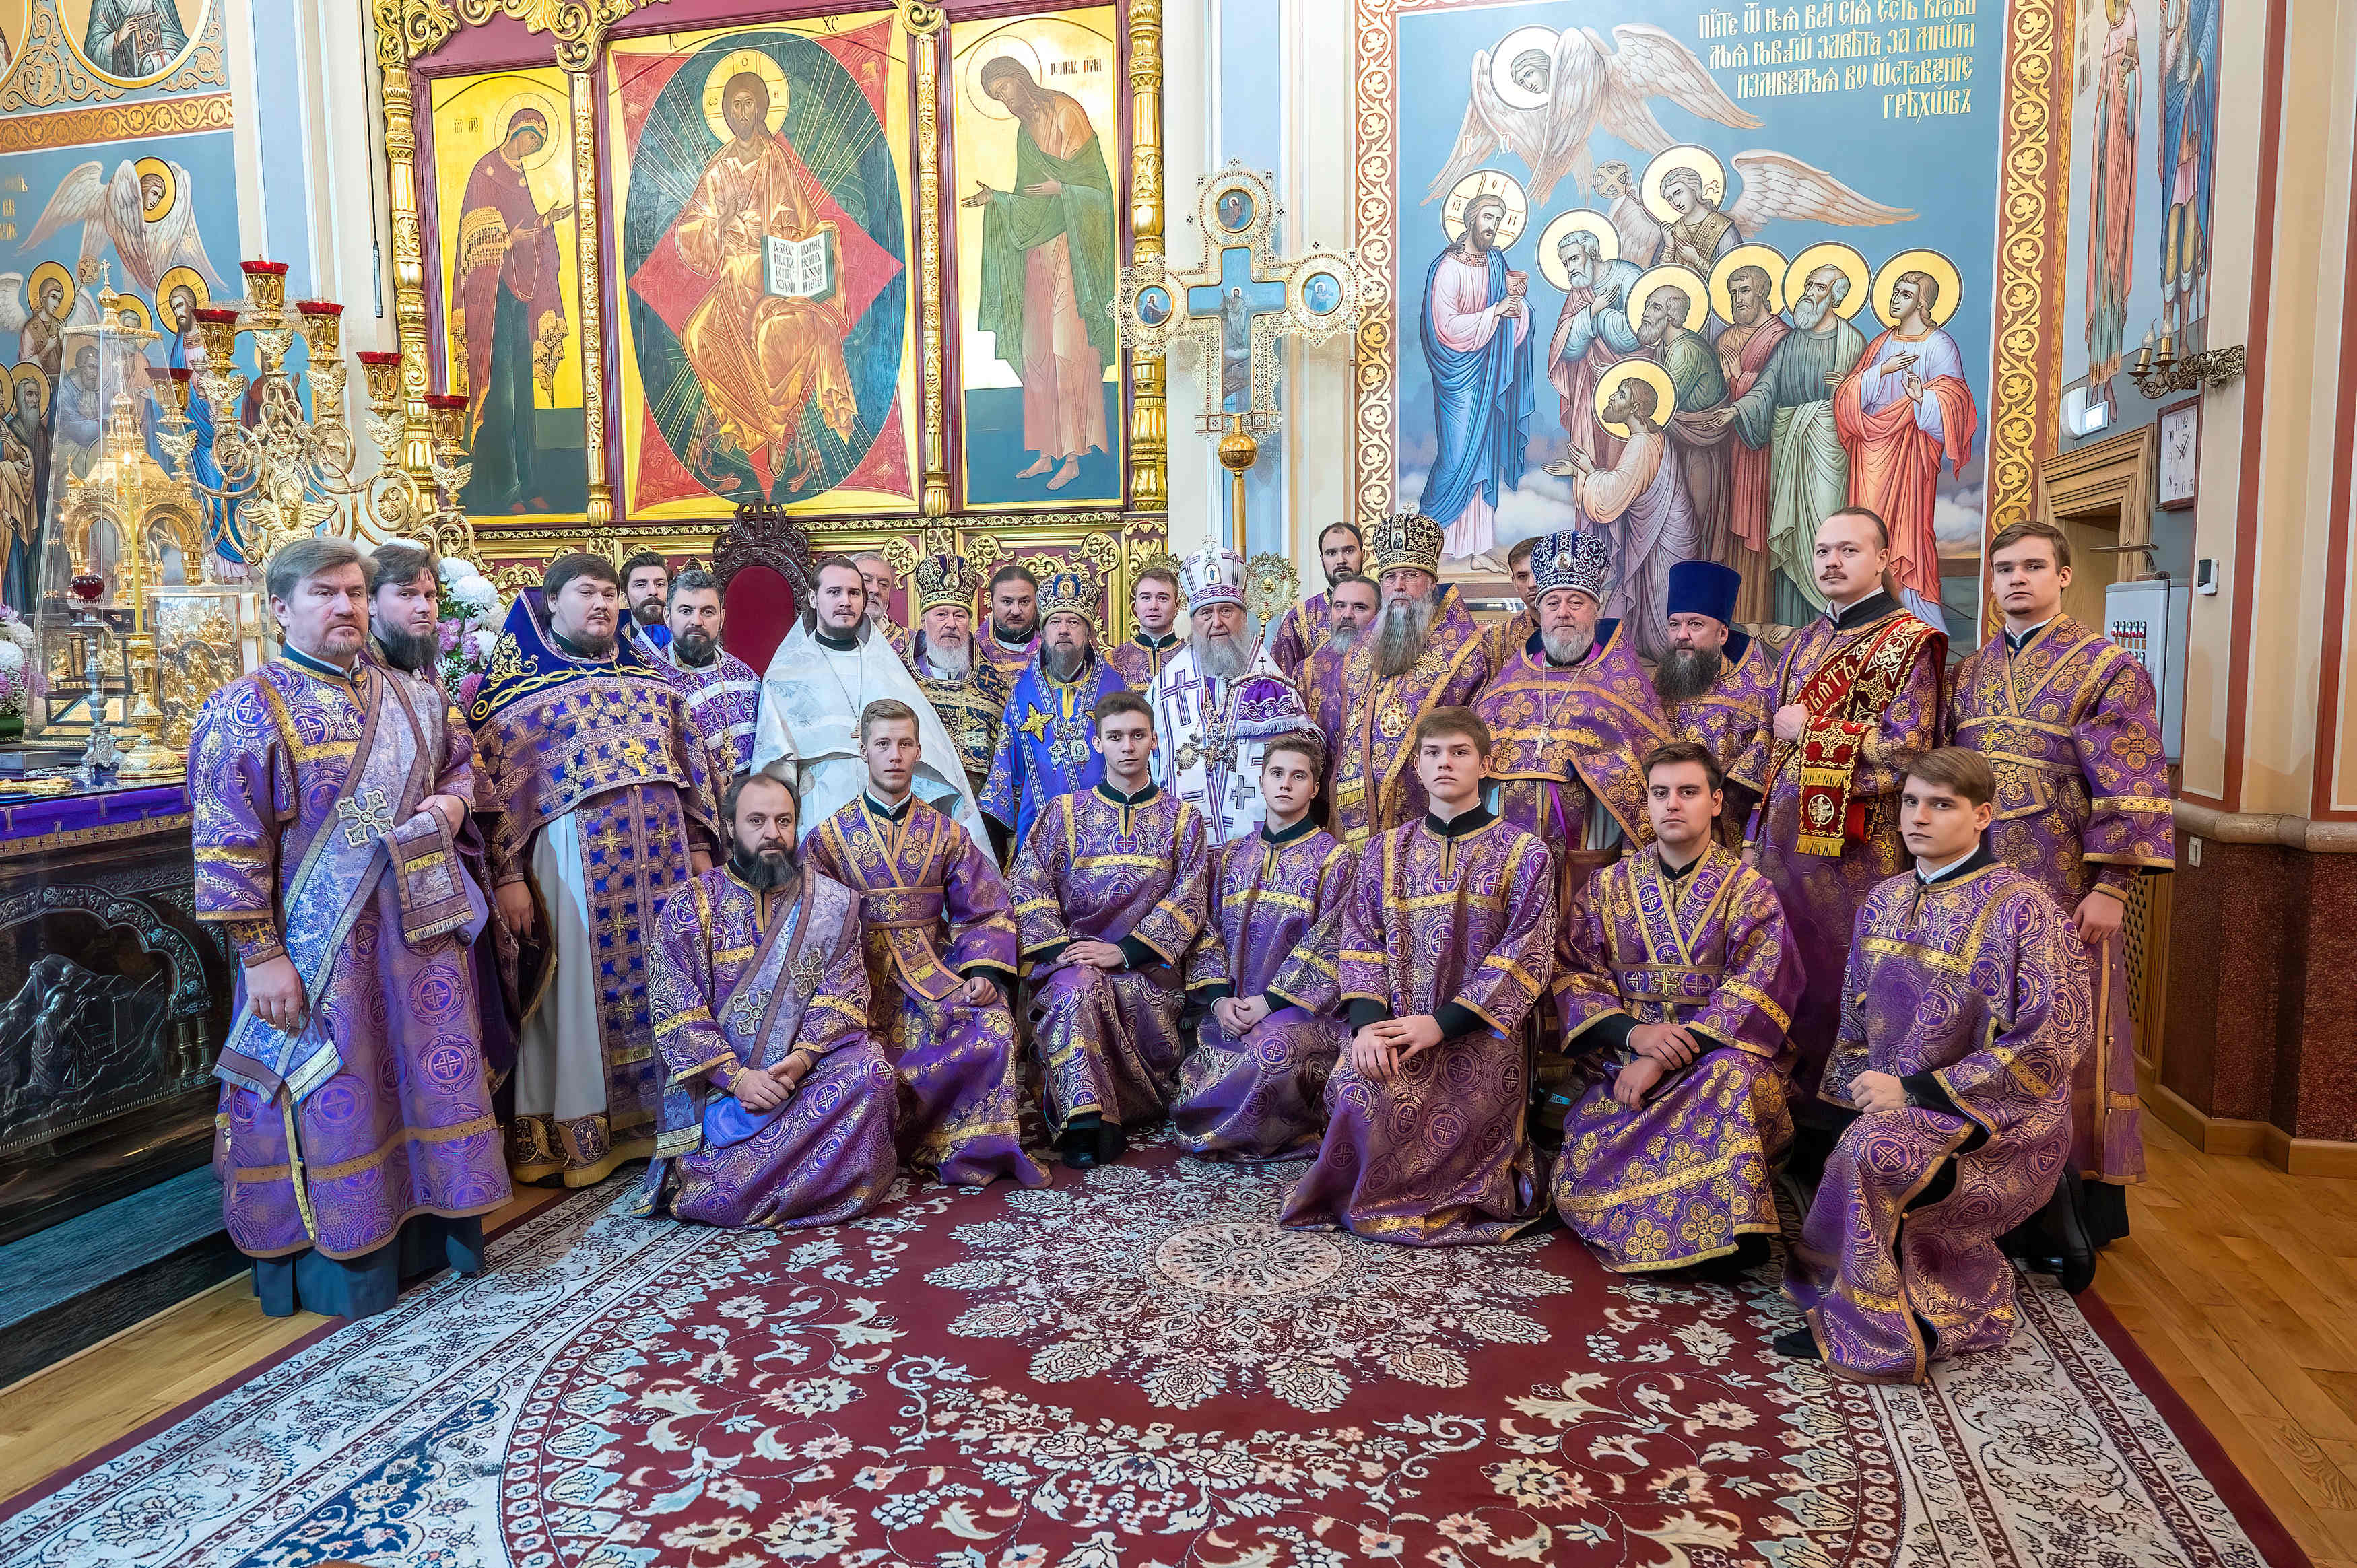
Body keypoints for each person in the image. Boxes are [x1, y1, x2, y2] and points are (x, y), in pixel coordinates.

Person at [191, 537, 507, 1317]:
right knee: (336, 1089)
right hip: (316, 952)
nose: (346, 607)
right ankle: (349, 1265)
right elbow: (227, 845)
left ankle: (435, 1235)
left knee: (422, 1083)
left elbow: (461, 764)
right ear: (279, 609)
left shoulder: (415, 697)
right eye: (325, 594)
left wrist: (455, 802)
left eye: (357, 594)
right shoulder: (246, 707)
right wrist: (261, 956)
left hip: (416, 944)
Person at [1779, 747, 2088, 1383]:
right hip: (1896, 1100)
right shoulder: (1885, 898)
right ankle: (1849, 1295)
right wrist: (1854, 1098)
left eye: (1941, 805)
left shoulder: (2023, 907)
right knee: (1855, 1142)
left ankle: (1886, 1327)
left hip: (2002, 1114)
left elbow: (2052, 1038)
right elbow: (1856, 1017)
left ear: (1983, 815)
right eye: (1911, 802)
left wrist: (1917, 1090)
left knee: (1871, 1152)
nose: (1919, 817)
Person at [1949, 520, 2173, 1260]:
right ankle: (1984, 1187)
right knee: (1985, 1020)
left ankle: (2069, 1202)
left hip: (2063, 882)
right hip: (1978, 879)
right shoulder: (1970, 669)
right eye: (2003, 568)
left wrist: (2112, 885)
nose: (2016, 579)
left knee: (2065, 1025)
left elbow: (2132, 781)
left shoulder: (2107, 667)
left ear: (2063, 575)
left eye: (2033, 566)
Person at [471, 552, 723, 1185]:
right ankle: (579, 1133)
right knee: (577, 994)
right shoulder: (513, 695)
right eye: (587, 593)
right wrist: (506, 876)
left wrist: (699, 845)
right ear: (551, 601)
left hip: (663, 868)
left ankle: (667, 1121)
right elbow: (493, 794)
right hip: (571, 872)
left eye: (610, 593)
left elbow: (690, 769)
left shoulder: (654, 680)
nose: (603, 604)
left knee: (673, 979)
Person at [1282, 707, 1558, 1244]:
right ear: (1418, 767)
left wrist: (1440, 1025)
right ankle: (1363, 1195)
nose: (1445, 763)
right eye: (1433, 753)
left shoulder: (1526, 854)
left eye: (1459, 752)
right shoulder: (1384, 851)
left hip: (1480, 1039)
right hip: (1394, 1027)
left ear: (1485, 763)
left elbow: (1526, 955)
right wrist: (1368, 1026)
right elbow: (1361, 941)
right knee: (1359, 1088)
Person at [1551, 741, 1804, 1279]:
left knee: (1731, 1075)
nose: (1672, 804)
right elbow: (1576, 974)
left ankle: (1727, 1235)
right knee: (1579, 1169)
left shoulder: (1750, 892)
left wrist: (1666, 1057)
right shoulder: (1607, 888)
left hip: (1716, 1067)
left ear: (1715, 802)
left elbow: (1758, 991)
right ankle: (1703, 1229)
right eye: (1659, 793)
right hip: (1623, 1067)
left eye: (1687, 792)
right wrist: (1637, 1038)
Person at [1730, 508, 1943, 1103]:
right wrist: (1743, 824)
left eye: (1848, 550)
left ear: (1882, 559)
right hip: (1780, 849)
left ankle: (1843, 1115)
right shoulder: (1805, 640)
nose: (1831, 561)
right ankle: (1782, 1110)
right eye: (1823, 550)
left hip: (1859, 855)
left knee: (1845, 979)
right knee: (1780, 969)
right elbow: (1771, 737)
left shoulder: (1909, 643)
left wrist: (1815, 729)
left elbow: (1911, 748)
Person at [633, 772, 902, 1229]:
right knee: (718, 1192)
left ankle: (774, 1183)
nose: (772, 832)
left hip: (805, 1076)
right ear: (730, 828)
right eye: (756, 820)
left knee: (873, 1076)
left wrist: (797, 1063)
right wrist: (739, 1079)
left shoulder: (832, 904)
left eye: (784, 820)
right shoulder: (690, 906)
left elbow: (842, 996)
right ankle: (815, 1182)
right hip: (722, 1091)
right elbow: (677, 1012)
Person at [803, 700, 1046, 1188]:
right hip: (855, 985)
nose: (894, 755)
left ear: (918, 750)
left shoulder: (947, 834)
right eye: (883, 744)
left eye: (905, 744)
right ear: (863, 748)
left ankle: (968, 1147)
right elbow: (807, 926)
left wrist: (982, 972)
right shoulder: (826, 839)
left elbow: (987, 908)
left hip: (933, 973)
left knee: (996, 1027)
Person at [1009, 691, 1211, 1167]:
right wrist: (1065, 950)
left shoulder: (1183, 819)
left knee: (1092, 986)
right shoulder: (1062, 813)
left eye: (1137, 736)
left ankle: (1119, 1105)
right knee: (1076, 990)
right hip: (1073, 962)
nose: (1127, 747)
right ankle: (1087, 1124)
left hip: (1147, 974)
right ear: (1096, 743)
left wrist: (1120, 953)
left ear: (1155, 741)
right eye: (1115, 736)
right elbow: (1026, 883)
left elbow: (1191, 897)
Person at [1174, 734, 1354, 1160]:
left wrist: (1270, 1002)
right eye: (1277, 773)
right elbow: (1206, 931)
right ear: (1260, 779)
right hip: (1231, 1009)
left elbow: (1333, 943)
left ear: (1315, 787)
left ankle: (1278, 1132)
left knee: (1271, 1053)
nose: (1286, 784)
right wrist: (1219, 1001)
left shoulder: (1337, 859)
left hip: (1304, 1012)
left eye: (1299, 776)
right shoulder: (1231, 854)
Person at [675, 71, 856, 490]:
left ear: (760, 109)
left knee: (773, 340)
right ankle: (746, 426)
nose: (742, 113)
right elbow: (691, 229)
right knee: (698, 334)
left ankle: (778, 428)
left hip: (776, 279)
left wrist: (805, 239)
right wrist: (719, 225)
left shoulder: (776, 160)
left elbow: (805, 218)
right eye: (734, 106)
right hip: (733, 278)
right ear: (726, 113)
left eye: (748, 104)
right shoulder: (719, 169)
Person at [1473, 526, 1666, 912]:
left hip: (1589, 841)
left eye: (1576, 602)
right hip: (1508, 847)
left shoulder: (1623, 681)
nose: (1563, 612)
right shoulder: (1510, 678)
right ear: (1539, 612)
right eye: (1553, 602)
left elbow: (1648, 765)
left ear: (1595, 610)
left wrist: (1591, 765)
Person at [963, 55, 1119, 492]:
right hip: (1038, 252)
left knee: (1067, 346)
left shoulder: (1066, 113)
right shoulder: (1022, 133)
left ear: (1021, 78)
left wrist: (1063, 189)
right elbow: (1028, 200)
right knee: (1036, 350)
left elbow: (1099, 190)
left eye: (1006, 90)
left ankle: (1074, 454)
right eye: (997, 98)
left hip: (1073, 250)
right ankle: (1045, 452)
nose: (1006, 102)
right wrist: (997, 199)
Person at [754, 555, 987, 848]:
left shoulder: (887, 667)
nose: (846, 602)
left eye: (854, 593)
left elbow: (928, 760)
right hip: (820, 814)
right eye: (834, 592)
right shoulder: (786, 674)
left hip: (892, 817)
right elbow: (776, 769)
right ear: (813, 597)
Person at [1706, 261, 1868, 623]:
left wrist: (1849, 387)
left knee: (1824, 528)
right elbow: (1767, 385)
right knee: (1791, 534)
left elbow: (1869, 398)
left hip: (1827, 445)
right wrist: (1738, 410)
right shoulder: (1791, 340)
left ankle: (1829, 621)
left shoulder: (1852, 341)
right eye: (1809, 284)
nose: (1810, 293)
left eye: (1820, 288)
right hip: (1788, 444)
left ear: (1836, 298)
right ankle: (1790, 625)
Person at [1327, 511, 1492, 845]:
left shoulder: (1464, 653)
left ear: (1431, 583)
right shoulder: (1362, 650)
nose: (1398, 586)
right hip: (1351, 824)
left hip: (1432, 829)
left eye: (1409, 576)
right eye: (1390, 578)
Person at [1832, 271, 1979, 629]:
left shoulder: (1938, 345)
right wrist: (1880, 371)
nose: (1896, 298)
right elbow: (1851, 393)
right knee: (1865, 531)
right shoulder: (1881, 343)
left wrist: (1922, 399)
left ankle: (1915, 615)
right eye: (1895, 291)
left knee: (1909, 531)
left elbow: (1956, 398)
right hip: (1870, 452)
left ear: (1923, 302)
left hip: (1911, 450)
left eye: (1905, 293)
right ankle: (1860, 609)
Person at [1146, 543, 1319, 844]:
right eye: (1206, 614)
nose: (1217, 623)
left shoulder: (1272, 682)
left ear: (1243, 616)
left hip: (1261, 846)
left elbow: (1306, 758)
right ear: (1193, 620)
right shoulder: (1164, 686)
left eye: (1226, 610)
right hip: (1186, 844)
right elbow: (1149, 763)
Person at [453, 106, 571, 516]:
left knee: (522, 392)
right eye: (527, 140)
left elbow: (525, 231)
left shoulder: (520, 179)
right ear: (514, 132)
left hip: (518, 296)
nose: (530, 149)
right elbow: (476, 230)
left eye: (538, 145)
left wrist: (544, 224)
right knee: (500, 391)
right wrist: (508, 236)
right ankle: (505, 490)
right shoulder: (485, 171)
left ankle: (529, 484)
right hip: (492, 300)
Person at [1418, 193, 1533, 574]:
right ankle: (1439, 541)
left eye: (1498, 220)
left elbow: (1509, 323)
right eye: (1487, 217)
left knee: (1483, 456)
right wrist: (1495, 311)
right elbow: (1445, 327)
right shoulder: (1447, 268)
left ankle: (1478, 547)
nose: (1492, 226)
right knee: (1456, 457)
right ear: (1470, 219)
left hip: (1489, 373)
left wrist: (1518, 311)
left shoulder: (1497, 262)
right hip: (1458, 377)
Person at [1556, 372, 1703, 660]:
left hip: (1666, 539)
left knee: (1665, 620)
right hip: (1660, 533)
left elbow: (1610, 498)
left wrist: (1586, 471)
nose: (1612, 397)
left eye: (1621, 394)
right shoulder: (1649, 438)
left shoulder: (1641, 444)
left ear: (1636, 408)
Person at [981, 565, 1126, 848]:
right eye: (1055, 622)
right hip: (1038, 833)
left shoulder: (1114, 690)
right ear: (1043, 632)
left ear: (1088, 632)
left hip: (1106, 833)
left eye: (1073, 622)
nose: (1063, 630)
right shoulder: (1023, 697)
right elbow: (1004, 771)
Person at [1657, 559, 1777, 846]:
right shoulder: (1656, 687)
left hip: (1727, 839)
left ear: (1722, 634)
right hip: (1661, 834)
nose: (1682, 635)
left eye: (1695, 625)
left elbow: (1766, 778)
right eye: (1675, 625)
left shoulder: (1756, 690)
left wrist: (1750, 843)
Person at [905, 551, 1012, 805]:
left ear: (970, 624)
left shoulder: (995, 686)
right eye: (941, 615)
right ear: (923, 621)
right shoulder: (901, 680)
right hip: (916, 803)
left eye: (960, 616)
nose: (951, 624)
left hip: (979, 807)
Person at [653, 566, 762, 779]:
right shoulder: (652, 679)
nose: (697, 621)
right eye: (686, 611)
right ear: (667, 616)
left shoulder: (748, 680)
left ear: (722, 617)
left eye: (707, 611)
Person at [1301, 573, 1381, 800]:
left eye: (1359, 607)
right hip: (1319, 801)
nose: (1347, 615)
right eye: (1340, 606)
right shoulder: (1307, 672)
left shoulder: (1393, 669)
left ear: (1379, 615)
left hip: (1375, 799)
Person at [1265, 522, 1366, 677]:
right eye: (1332, 553)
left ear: (1363, 554)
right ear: (1322, 560)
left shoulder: (1383, 609)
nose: (1341, 560)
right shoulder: (1300, 619)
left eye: (1349, 551)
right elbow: (1280, 683)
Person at [1106, 564, 1185, 689]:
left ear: (1177, 605)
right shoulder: (1111, 661)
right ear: (1135, 605)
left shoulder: (1193, 658)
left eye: (1163, 598)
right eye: (1146, 598)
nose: (1154, 606)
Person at [1475, 535, 1541, 679]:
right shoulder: (1495, 639)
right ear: (1514, 583)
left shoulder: (1584, 632)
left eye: (1538, 573)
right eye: (1522, 576)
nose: (1532, 584)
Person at [978, 562, 1041, 685]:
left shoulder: (1052, 647)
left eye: (1025, 602)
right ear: (991, 602)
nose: (1016, 611)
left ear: (1036, 602)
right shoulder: (975, 651)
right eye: (1007, 601)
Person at [853, 550, 912, 660]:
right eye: (866, 580)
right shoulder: (825, 639)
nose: (875, 590)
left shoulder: (912, 644)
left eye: (883, 584)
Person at [621, 550, 671, 650]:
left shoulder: (689, 640)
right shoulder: (612, 647)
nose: (653, 592)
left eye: (660, 584)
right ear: (625, 598)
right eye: (640, 585)